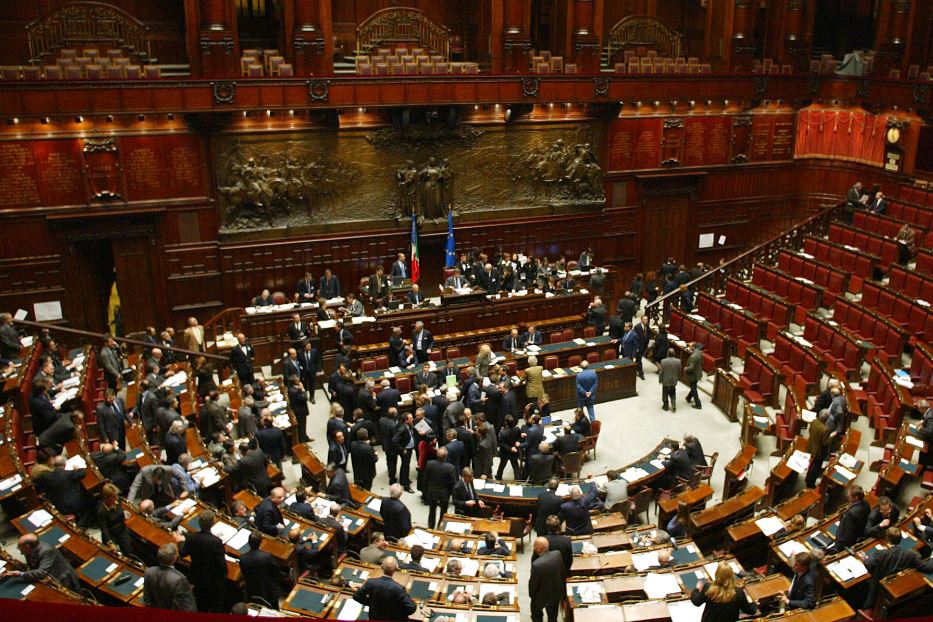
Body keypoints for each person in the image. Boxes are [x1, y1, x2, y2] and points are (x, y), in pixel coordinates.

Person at [862, 527, 933, 610]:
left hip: (876, 588)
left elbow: (867, 563)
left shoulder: (880, 554)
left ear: (887, 539)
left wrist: (873, 571)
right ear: (900, 539)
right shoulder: (909, 555)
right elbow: (928, 567)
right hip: (893, 592)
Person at [178, 509, 226, 612]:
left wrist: (181, 542)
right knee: (214, 608)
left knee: (201, 606)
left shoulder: (191, 537)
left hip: (197, 578)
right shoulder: (216, 542)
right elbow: (222, 566)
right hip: (214, 582)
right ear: (213, 523)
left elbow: (183, 553)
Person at [352, 556, 417, 621]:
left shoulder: (370, 582)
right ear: (396, 568)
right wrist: (397, 611)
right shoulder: (399, 588)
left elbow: (356, 596)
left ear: (382, 567)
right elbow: (411, 608)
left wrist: (371, 603)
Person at [9, 533, 81, 591]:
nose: (18, 548)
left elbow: (41, 572)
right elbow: (32, 565)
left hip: (63, 578)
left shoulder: (47, 550)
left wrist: (21, 574)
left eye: (19, 546)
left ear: (27, 546)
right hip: (49, 576)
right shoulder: (29, 549)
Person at [690, 561, 758, 622]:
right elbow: (750, 611)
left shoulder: (708, 587)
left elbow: (696, 602)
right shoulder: (738, 593)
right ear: (731, 576)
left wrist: (696, 589)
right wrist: (755, 603)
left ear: (717, 574)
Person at [143, 543, 197, 611]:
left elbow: (147, 598)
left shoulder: (149, 571)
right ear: (175, 558)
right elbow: (181, 606)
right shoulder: (179, 580)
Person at [240, 530, 281, 609]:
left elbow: (244, 574)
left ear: (248, 542)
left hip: (252, 591)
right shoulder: (267, 556)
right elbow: (276, 570)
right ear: (260, 542)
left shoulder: (243, 558)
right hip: (269, 591)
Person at [529, 537, 564, 622]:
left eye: (534, 546)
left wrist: (531, 595)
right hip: (555, 592)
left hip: (540, 596)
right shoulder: (557, 554)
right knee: (553, 617)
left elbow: (533, 584)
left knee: (536, 615)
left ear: (539, 548)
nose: (533, 547)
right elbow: (562, 572)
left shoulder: (536, 565)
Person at [828, 485, 870, 553]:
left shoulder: (851, 514)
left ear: (856, 497)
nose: (847, 495)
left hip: (844, 541)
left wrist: (838, 546)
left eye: (850, 495)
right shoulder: (865, 503)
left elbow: (848, 532)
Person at [424, 446, 457, 529]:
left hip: (432, 491)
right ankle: (440, 528)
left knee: (432, 511)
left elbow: (425, 478)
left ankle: (431, 527)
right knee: (443, 512)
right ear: (446, 456)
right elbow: (453, 483)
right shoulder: (451, 467)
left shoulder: (429, 464)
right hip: (444, 494)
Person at [97, 482, 133, 556]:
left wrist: (125, 514)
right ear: (106, 497)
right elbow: (104, 529)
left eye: (116, 495)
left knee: (128, 551)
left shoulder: (119, 500)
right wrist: (110, 543)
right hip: (111, 534)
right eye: (113, 496)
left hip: (122, 530)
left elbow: (122, 513)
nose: (116, 498)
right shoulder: (101, 511)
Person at [805, 409, 832, 488]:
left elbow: (810, 431)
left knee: (812, 464)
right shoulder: (825, 429)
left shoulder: (814, 421)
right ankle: (811, 483)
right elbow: (825, 442)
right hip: (819, 451)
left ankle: (807, 478)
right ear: (827, 418)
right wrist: (831, 437)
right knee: (816, 468)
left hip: (811, 446)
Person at [685, 342, 704, 409]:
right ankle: (688, 398)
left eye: (690, 346)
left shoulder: (693, 357)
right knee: (693, 387)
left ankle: (698, 404)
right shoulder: (699, 352)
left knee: (694, 388)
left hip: (693, 375)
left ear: (693, 347)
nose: (689, 347)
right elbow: (702, 362)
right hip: (698, 373)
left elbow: (691, 368)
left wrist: (686, 369)